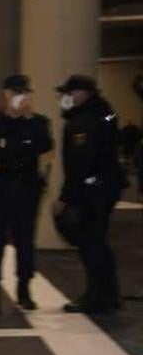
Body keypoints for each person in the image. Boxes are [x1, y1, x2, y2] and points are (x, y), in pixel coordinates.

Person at [0, 75, 53, 316]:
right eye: (15, 93)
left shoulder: (37, 123)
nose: (20, 97)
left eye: (24, 93)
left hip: (27, 189)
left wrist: (28, 118)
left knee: (25, 241)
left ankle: (24, 289)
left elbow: (45, 145)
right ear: (5, 95)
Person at [54, 75, 127, 315]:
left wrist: (65, 198)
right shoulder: (104, 113)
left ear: (81, 94)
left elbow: (80, 165)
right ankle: (109, 294)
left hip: (91, 192)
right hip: (105, 188)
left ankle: (97, 297)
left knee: (91, 245)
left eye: (67, 93)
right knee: (97, 243)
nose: (63, 98)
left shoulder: (82, 123)